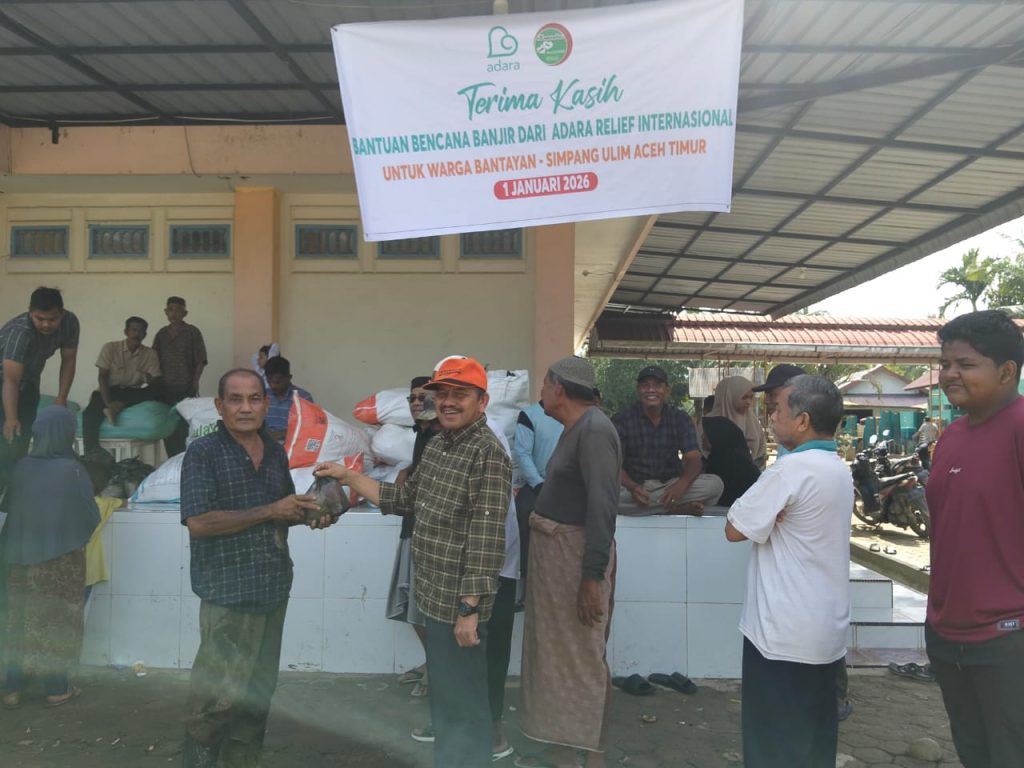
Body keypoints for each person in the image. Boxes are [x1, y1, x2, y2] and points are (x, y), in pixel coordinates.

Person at [316, 355, 511, 768]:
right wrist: (349, 477)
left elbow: (486, 537)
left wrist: (469, 610)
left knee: (464, 705)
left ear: (482, 401)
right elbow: (405, 499)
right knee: (448, 701)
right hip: (434, 596)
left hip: (460, 604)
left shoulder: (487, 453)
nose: (449, 402)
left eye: (461, 394)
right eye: (443, 393)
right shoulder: (439, 444)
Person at [179, 369, 334, 768]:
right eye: (236, 399)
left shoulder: (275, 452)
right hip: (228, 593)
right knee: (216, 699)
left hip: (272, 588)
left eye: (254, 399)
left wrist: (309, 513)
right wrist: (271, 510)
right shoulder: (204, 452)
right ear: (220, 406)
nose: (245, 408)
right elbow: (199, 522)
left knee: (256, 697)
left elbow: (280, 512)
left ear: (266, 405)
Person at [725, 375, 852, 768]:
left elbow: (734, 529)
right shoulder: (838, 467)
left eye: (778, 410)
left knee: (774, 747)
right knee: (814, 744)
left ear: (803, 420)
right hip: (824, 633)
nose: (772, 417)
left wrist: (764, 511)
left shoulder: (790, 471)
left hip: (781, 635)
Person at [925, 310, 1024, 768]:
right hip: (948, 633)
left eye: (965, 364)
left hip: (1008, 637)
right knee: (974, 753)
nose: (950, 374)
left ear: (1006, 371)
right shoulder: (951, 436)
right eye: (945, 364)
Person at [519, 356, 621, 768]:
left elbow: (603, 506)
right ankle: (562, 748)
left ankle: (592, 756)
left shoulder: (594, 430)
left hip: (575, 559)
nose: (541, 393)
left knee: (582, 655)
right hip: (558, 559)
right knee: (559, 655)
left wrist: (591, 577)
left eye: (544, 384)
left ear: (559, 387)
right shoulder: (575, 428)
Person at [1, 406, 99, 709]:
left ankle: (12, 689)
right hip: (61, 562)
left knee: (19, 620)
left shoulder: (21, 467)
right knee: (58, 622)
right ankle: (57, 688)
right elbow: (91, 515)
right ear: (67, 435)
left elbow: (9, 507)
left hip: (17, 559)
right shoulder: (72, 470)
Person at [612, 364, 723, 515]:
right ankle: (675, 509)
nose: (651, 390)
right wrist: (633, 487)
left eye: (657, 385)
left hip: (671, 485)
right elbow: (613, 464)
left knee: (715, 485)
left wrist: (682, 485)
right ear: (638, 390)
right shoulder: (622, 419)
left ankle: (650, 508)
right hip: (635, 487)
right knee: (606, 494)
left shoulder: (680, 418)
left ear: (667, 390)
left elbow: (694, 459)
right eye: (645, 386)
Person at [0, 287, 79, 496]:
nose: (46, 324)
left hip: (29, 384)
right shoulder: (19, 331)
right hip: (5, 384)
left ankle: (12, 502)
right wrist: (11, 418)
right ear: (30, 312)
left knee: (20, 443)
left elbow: (69, 360)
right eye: (39, 318)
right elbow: (10, 380)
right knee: (5, 444)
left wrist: (61, 398)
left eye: (52, 319)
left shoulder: (70, 323)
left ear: (61, 313)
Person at [390, 376, 436, 699]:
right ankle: (433, 662)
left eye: (423, 397)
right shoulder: (420, 434)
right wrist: (407, 470)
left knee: (422, 606)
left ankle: (437, 668)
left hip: (427, 534)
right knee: (410, 605)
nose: (417, 403)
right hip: (411, 526)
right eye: (412, 398)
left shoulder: (438, 435)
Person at [81, 316, 163, 459]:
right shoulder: (110, 348)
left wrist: (147, 378)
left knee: (159, 390)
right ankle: (91, 450)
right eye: (133, 330)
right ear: (126, 332)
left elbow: (155, 381)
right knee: (90, 414)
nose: (137, 334)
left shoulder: (150, 354)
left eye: (141, 331)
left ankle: (117, 407)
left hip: (131, 392)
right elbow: (102, 377)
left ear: (145, 334)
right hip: (109, 390)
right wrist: (108, 403)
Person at [513, 395, 563, 585]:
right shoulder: (530, 415)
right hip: (538, 486)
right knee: (522, 515)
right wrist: (538, 484)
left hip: (570, 488)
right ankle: (525, 580)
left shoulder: (577, 414)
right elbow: (522, 452)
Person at [152, 296, 207, 457]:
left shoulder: (192, 332)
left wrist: (195, 382)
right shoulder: (161, 334)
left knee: (184, 425)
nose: (174, 313)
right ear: (165, 312)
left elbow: (200, 359)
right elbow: (153, 359)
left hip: (185, 386)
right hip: (165, 388)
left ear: (185, 313)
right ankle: (171, 459)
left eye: (178, 310)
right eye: (170, 310)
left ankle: (184, 459)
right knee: (168, 425)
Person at [708, 375, 767, 468]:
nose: (749, 402)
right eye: (744, 397)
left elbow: (761, 454)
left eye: (751, 397)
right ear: (730, 397)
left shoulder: (752, 421)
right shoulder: (709, 423)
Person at [701, 416, 761, 506]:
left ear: (715, 436)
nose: (702, 437)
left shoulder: (723, 465)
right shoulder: (718, 459)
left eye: (705, 434)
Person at [262, 356, 314, 441]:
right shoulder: (263, 395)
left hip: (293, 443)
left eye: (277, 382)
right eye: (269, 381)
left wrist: (279, 435)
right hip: (265, 443)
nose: (272, 386)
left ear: (289, 378)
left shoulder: (303, 398)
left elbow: (309, 428)